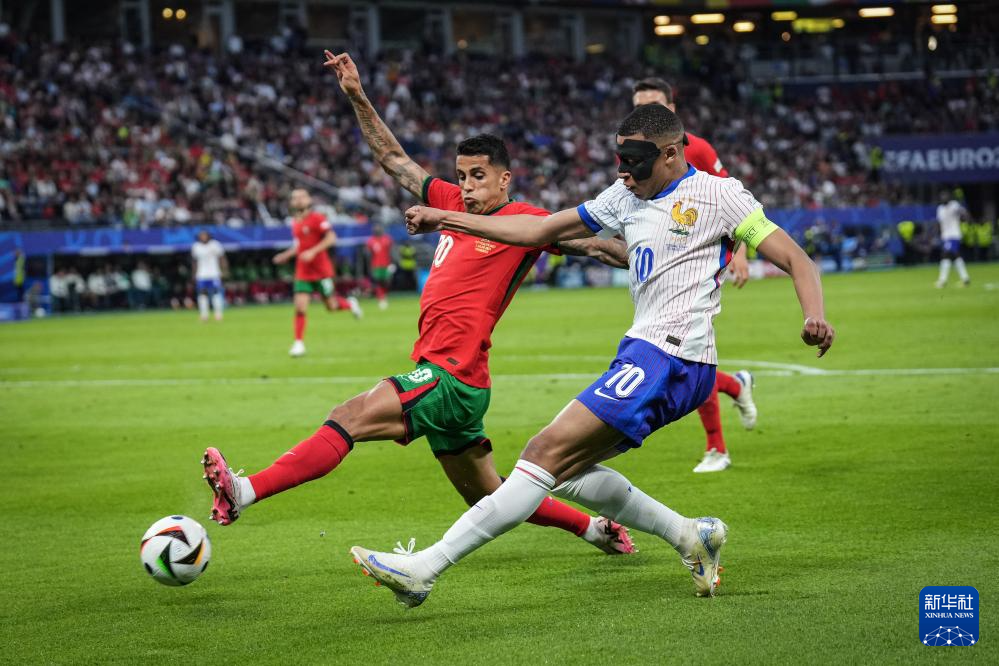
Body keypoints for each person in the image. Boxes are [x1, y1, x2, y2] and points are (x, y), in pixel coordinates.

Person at [351, 102, 835, 608]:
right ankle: (691, 535)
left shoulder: (720, 195)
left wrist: (814, 316)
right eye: (619, 160)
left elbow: (795, 258)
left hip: (672, 356)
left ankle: (423, 569)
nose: (624, 172)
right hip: (645, 352)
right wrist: (448, 218)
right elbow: (540, 231)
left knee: (542, 455)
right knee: (565, 473)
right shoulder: (623, 196)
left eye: (635, 162)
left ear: (671, 154)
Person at [200, 51, 636, 558]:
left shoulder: (527, 222)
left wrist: (659, 252)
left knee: (350, 416)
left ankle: (244, 491)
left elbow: (600, 247)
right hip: (459, 378)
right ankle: (595, 530)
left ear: (504, 179)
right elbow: (394, 160)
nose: (467, 186)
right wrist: (357, 95)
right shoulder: (448, 202)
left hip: (451, 374)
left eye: (478, 176)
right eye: (462, 175)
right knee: (489, 497)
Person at [632, 77, 756, 473]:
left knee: (686, 353)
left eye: (653, 105)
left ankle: (717, 448)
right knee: (682, 357)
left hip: (700, 264)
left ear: (671, 108)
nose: (644, 113)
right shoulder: (633, 152)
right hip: (661, 268)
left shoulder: (696, 148)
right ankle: (735, 385)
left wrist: (740, 251)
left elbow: (735, 201)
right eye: (638, 106)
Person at [272, 188, 362, 357]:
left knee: (331, 307)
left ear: (309, 200)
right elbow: (299, 245)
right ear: (291, 202)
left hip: (321, 271)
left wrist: (313, 252)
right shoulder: (295, 222)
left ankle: (350, 304)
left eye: (302, 196)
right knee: (300, 307)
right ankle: (298, 343)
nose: (298, 200)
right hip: (303, 271)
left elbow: (331, 238)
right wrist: (285, 255)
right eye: (295, 197)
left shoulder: (317, 218)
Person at [935, 192, 970, 288]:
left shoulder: (954, 205)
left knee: (946, 254)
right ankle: (965, 278)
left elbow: (963, 213)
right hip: (946, 236)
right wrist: (938, 233)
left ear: (949, 197)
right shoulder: (940, 209)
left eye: (945, 195)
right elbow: (939, 222)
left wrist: (964, 217)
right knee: (955, 256)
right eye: (942, 196)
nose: (943, 197)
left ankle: (942, 280)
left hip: (954, 235)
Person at [191, 230, 227, 321]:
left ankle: (218, 314)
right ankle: (204, 315)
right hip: (201, 274)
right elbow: (194, 261)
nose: (203, 237)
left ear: (208, 236)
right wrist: (194, 274)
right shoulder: (196, 246)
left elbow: (222, 258)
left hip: (214, 273)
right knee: (202, 293)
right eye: (201, 235)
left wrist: (224, 270)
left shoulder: (215, 245)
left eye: (204, 235)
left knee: (216, 293)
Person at [365, 223, 393, 310]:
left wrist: (392, 263)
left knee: (386, 282)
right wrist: (370, 266)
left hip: (386, 265)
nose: (377, 230)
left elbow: (391, 252)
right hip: (376, 266)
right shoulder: (370, 241)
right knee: (378, 282)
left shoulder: (387, 239)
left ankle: (384, 296)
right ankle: (381, 298)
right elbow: (368, 255)